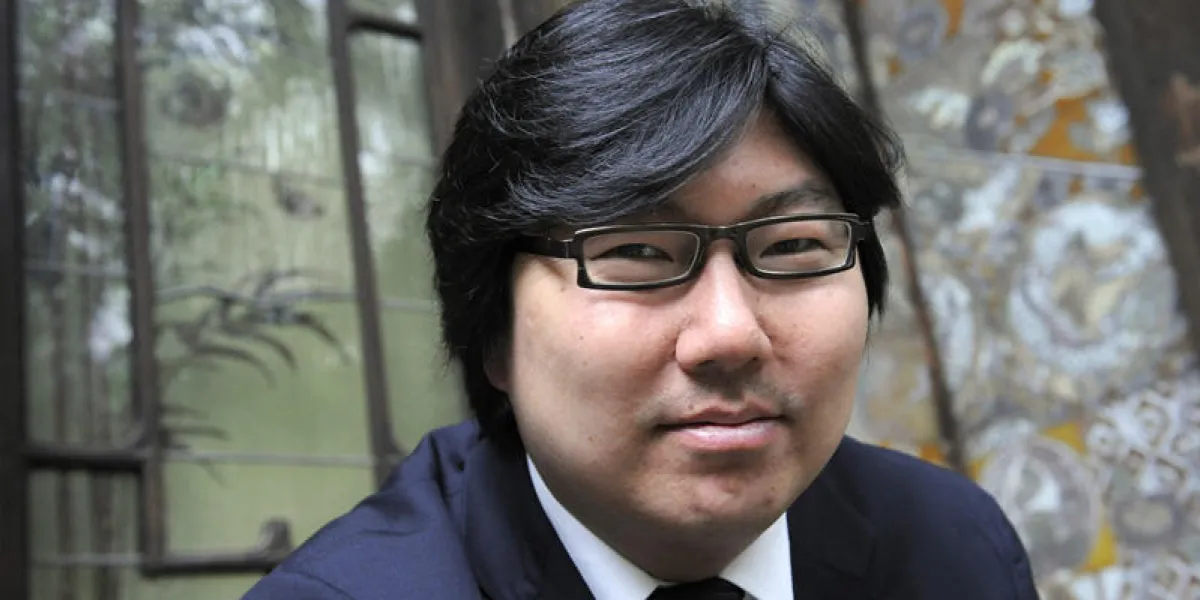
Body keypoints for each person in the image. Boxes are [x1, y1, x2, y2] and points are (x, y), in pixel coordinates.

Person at [244, 0, 1039, 598]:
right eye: (635, 253)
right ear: (492, 332)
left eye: (793, 246)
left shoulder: (953, 548)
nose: (730, 335)